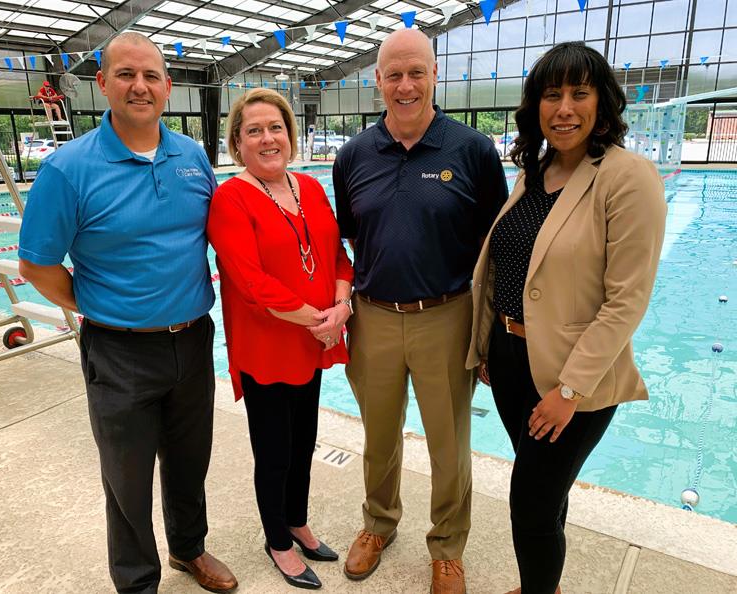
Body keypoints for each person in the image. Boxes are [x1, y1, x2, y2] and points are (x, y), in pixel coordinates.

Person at [18, 32, 237, 594]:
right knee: (128, 479)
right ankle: (138, 583)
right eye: (126, 74)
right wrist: (97, 304)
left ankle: (188, 549)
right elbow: (36, 265)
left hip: (192, 339)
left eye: (150, 76)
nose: (140, 86)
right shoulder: (68, 169)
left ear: (167, 86)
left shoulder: (191, 156)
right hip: (119, 351)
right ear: (102, 83)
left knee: (189, 462)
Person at [466, 42, 666, 594]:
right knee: (547, 492)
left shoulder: (628, 177)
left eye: (580, 93)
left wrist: (570, 389)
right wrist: (489, 345)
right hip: (511, 358)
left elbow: (625, 301)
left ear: (602, 103)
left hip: (573, 375)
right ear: (536, 106)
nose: (565, 109)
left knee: (529, 503)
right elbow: (509, 265)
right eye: (552, 95)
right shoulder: (537, 171)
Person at [333, 28, 508, 594]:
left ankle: (448, 547)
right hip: (374, 316)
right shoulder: (353, 155)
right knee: (379, 437)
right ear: (378, 80)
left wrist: (488, 332)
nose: (405, 85)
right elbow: (352, 238)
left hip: (447, 315)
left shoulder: (473, 150)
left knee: (448, 443)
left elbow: (495, 247)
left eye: (416, 73)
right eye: (394, 75)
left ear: (435, 75)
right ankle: (378, 524)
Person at [208, 88, 353, 591]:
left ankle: (297, 520)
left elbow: (338, 256)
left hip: (313, 341)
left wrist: (341, 307)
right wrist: (320, 319)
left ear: (290, 136)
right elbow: (250, 283)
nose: (268, 138)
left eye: (276, 128)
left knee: (304, 442)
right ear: (237, 143)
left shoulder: (309, 187)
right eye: (254, 131)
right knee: (274, 452)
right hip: (268, 346)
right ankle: (277, 540)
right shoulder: (230, 198)